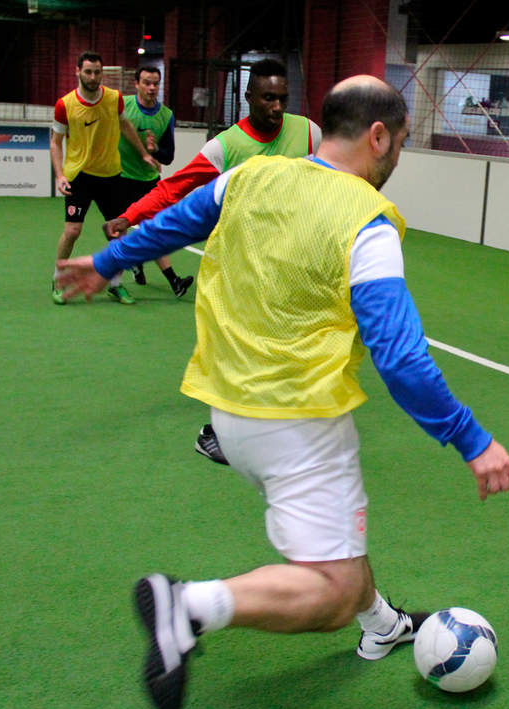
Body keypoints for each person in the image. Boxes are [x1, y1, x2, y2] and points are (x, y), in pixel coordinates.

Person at [55, 75, 509, 709]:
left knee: (340, 542)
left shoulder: (249, 177)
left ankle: (383, 624)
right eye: (400, 143)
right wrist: (473, 440)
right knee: (333, 592)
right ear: (378, 136)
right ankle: (189, 606)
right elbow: (400, 357)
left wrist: (107, 262)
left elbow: (179, 220)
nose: (398, 157)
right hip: (300, 424)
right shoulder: (368, 222)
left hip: (227, 414)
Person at [101, 58, 321, 462]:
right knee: (243, 349)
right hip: (243, 266)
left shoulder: (309, 133)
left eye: (283, 98)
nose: (276, 107)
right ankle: (215, 433)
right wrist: (128, 217)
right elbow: (173, 188)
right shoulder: (226, 146)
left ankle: (277, 423)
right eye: (268, 98)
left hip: (292, 264)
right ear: (248, 97)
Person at [49, 51, 158, 305]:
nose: (93, 77)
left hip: (110, 175)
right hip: (79, 176)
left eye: (97, 72)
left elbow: (125, 126)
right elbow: (55, 143)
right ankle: (58, 279)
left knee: (116, 232)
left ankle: (116, 284)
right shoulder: (65, 105)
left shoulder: (113, 98)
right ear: (78, 72)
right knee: (72, 231)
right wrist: (60, 175)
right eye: (88, 71)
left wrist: (143, 153)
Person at [116, 66, 193, 298]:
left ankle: (174, 281)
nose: (151, 88)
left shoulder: (166, 116)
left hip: (148, 180)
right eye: (146, 83)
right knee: (120, 228)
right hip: (119, 177)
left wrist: (155, 149)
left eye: (155, 84)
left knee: (155, 229)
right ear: (136, 84)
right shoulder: (123, 106)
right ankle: (125, 272)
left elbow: (168, 157)